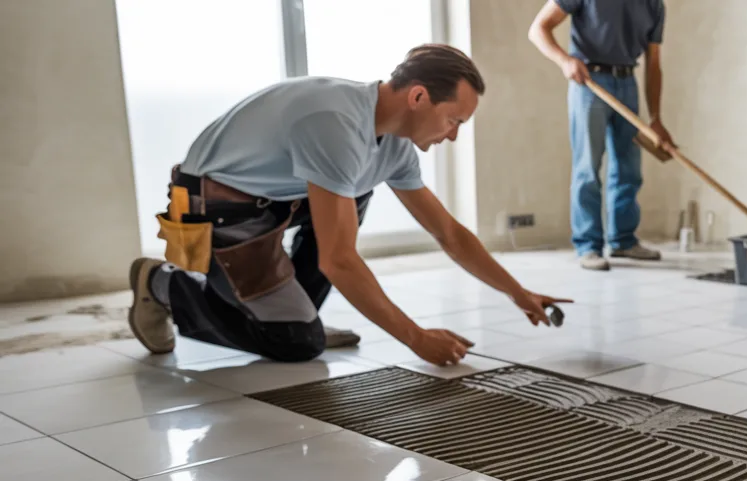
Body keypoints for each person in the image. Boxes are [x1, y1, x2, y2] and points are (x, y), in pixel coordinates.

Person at [128, 44, 568, 366]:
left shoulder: (394, 145)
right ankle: (163, 283)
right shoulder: (335, 123)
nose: (453, 135)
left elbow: (448, 233)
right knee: (297, 344)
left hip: (278, 203)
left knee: (356, 189)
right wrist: (415, 338)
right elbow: (339, 260)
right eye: (453, 120)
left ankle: (293, 312)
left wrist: (518, 293)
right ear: (417, 98)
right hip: (216, 208)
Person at [529, 0, 670, 271]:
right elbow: (538, 29)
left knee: (629, 170)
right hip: (589, 82)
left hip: (627, 81)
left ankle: (623, 241)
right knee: (588, 169)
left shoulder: (655, 5)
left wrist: (655, 119)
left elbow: (653, 63)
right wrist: (565, 60)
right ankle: (588, 246)